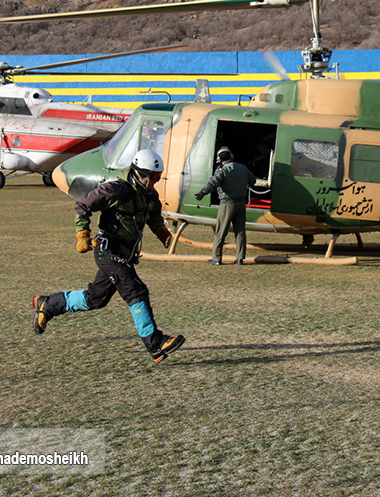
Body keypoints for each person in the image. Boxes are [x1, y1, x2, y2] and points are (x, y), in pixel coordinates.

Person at [32, 149, 185, 365]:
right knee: (135, 290)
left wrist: (162, 232)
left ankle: (48, 304)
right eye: (153, 178)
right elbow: (83, 204)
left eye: (157, 179)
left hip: (125, 254)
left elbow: (152, 216)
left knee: (96, 298)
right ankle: (156, 343)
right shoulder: (117, 189)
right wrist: (82, 233)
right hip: (107, 250)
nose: (154, 184)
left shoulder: (150, 195)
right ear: (140, 174)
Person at [196, 146, 255, 265]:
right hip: (241, 203)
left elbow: (213, 182)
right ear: (231, 156)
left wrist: (203, 192)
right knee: (240, 231)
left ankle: (217, 258)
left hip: (227, 203)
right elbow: (253, 180)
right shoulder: (243, 168)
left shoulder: (222, 170)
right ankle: (240, 258)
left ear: (219, 159)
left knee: (221, 231)